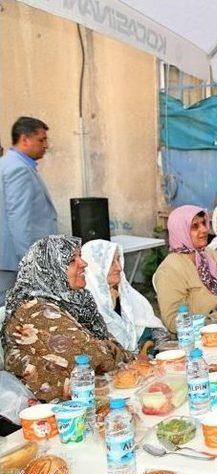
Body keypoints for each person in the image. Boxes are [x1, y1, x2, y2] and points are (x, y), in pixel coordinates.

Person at [1, 235, 131, 402]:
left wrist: (113, 349)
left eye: (80, 256)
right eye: (71, 260)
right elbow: (95, 357)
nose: (84, 263)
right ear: (50, 270)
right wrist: (118, 352)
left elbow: (103, 343)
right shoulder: (35, 310)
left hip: (88, 394)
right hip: (57, 412)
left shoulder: (74, 299)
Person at [154, 205, 217, 333]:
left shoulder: (209, 254)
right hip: (201, 338)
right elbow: (173, 321)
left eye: (203, 223)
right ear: (180, 231)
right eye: (195, 226)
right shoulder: (169, 269)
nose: (203, 229)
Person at [0, 117, 57, 305]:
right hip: (14, 260)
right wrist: (28, 262)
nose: (46, 145)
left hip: (10, 258)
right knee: (11, 313)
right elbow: (18, 218)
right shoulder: (18, 169)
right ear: (24, 139)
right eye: (41, 140)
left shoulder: (9, 164)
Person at [81, 239, 168, 352]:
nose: (119, 268)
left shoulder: (125, 293)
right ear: (95, 267)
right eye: (111, 262)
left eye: (118, 259)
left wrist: (151, 345)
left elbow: (153, 327)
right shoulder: (87, 305)